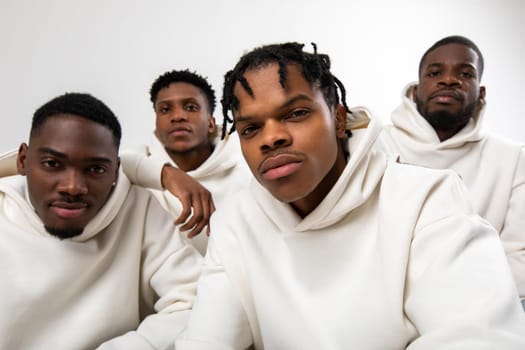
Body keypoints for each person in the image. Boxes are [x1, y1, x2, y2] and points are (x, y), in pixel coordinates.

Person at [175, 42, 525, 349]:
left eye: (296, 113)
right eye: (251, 128)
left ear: (339, 119)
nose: (272, 138)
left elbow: (478, 336)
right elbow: (206, 339)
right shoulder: (234, 222)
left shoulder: (427, 200)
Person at [0, 92, 202, 349]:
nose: (73, 187)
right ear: (22, 161)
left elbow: (197, 299)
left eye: (95, 169)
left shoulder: (138, 210)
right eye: (52, 163)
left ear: (116, 171)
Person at [378, 35, 525, 307]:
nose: (448, 80)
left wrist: (455, 298)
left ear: (481, 92)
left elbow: (520, 257)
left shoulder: (513, 157)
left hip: (479, 303)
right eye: (435, 72)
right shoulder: (377, 145)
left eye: (465, 73)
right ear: (416, 89)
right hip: (386, 298)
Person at [121, 69, 250, 255]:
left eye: (191, 107)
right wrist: (165, 174)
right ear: (156, 124)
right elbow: (109, 162)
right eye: (165, 109)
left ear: (211, 123)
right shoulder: (139, 166)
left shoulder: (245, 168)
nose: (178, 116)